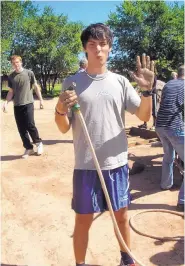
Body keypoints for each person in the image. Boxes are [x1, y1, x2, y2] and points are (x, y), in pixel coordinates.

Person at [55, 23, 154, 266]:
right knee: (83, 219)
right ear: (85, 49)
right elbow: (64, 127)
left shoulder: (119, 82)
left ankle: (127, 260)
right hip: (86, 165)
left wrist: (147, 91)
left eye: (103, 44)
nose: (98, 49)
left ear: (109, 47)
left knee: (121, 216)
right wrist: (59, 108)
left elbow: (143, 116)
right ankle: (80, 263)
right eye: (92, 44)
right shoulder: (72, 82)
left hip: (117, 164)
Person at [2, 55, 44, 159]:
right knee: (21, 128)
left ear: (21, 62)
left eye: (17, 62)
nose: (15, 65)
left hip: (28, 103)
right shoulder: (11, 76)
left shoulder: (29, 73)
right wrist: (6, 102)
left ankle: (38, 144)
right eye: (13, 63)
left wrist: (41, 100)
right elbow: (11, 92)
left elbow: (35, 87)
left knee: (30, 124)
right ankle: (28, 148)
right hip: (17, 105)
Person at [155, 65, 184, 211]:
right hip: (174, 128)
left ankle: (165, 184)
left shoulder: (168, 84)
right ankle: (183, 201)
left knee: (168, 157)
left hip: (160, 126)